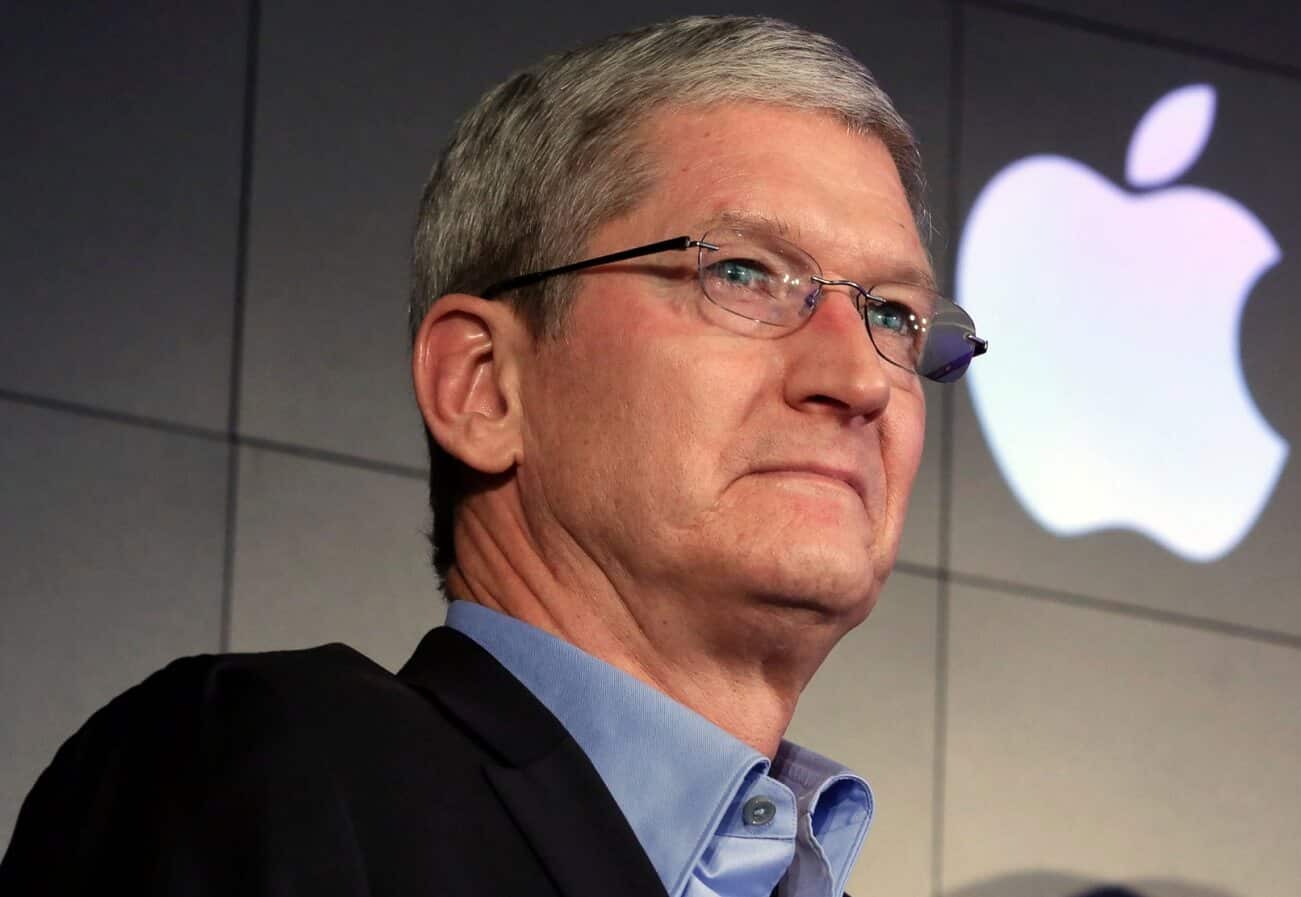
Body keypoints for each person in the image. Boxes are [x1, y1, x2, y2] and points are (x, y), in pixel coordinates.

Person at [0, 15, 986, 897]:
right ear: (483, 385)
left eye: (894, 314)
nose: (859, 379)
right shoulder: (264, 775)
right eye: (745, 274)